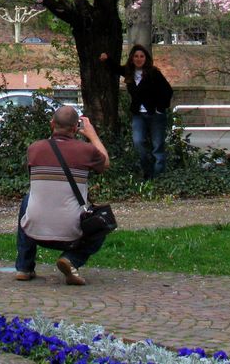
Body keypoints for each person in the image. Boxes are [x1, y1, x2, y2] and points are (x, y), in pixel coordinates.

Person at [15, 105, 110, 286]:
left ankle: (24, 267)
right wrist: (92, 135)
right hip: (71, 235)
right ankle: (71, 259)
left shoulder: (34, 149)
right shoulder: (86, 151)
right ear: (76, 128)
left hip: (35, 231)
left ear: (52, 124)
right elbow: (105, 163)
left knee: (28, 200)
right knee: (103, 222)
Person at [122, 44, 173, 180]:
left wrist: (160, 108)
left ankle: (158, 179)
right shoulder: (129, 73)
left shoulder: (153, 73)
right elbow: (115, 68)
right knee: (138, 142)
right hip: (138, 115)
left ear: (146, 58)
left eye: (142, 56)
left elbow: (168, 90)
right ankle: (148, 174)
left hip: (155, 115)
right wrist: (106, 58)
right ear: (132, 58)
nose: (139, 59)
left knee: (158, 147)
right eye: (136, 56)